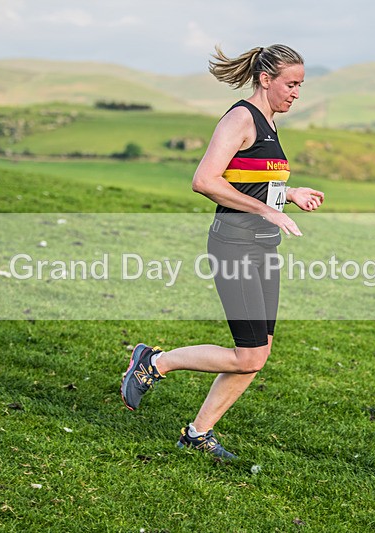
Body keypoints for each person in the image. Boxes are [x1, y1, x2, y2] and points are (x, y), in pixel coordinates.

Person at [121, 44, 324, 459]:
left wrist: (290, 194)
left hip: (263, 246)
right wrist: (268, 208)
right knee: (247, 352)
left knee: (257, 355)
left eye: (301, 85)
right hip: (235, 245)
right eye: (291, 84)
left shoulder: (268, 121)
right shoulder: (240, 118)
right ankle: (154, 362)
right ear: (266, 79)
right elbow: (206, 180)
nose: (296, 93)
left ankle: (197, 434)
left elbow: (248, 182)